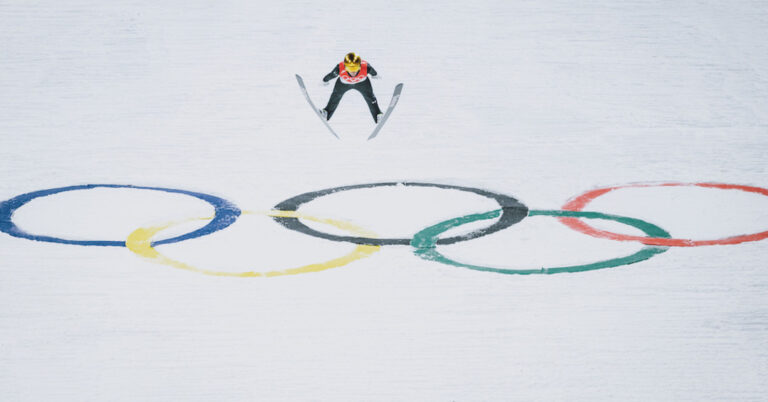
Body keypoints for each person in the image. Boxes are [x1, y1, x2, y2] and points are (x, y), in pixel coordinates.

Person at [319, 52, 383, 123]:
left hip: (362, 83)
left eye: (355, 68)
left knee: (370, 97)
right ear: (345, 66)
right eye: (350, 68)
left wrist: (375, 75)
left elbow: (373, 72)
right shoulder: (339, 68)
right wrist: (325, 80)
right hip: (343, 84)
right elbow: (331, 75)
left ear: (359, 65)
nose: (353, 72)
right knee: (335, 97)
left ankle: (378, 115)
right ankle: (326, 113)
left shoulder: (366, 66)